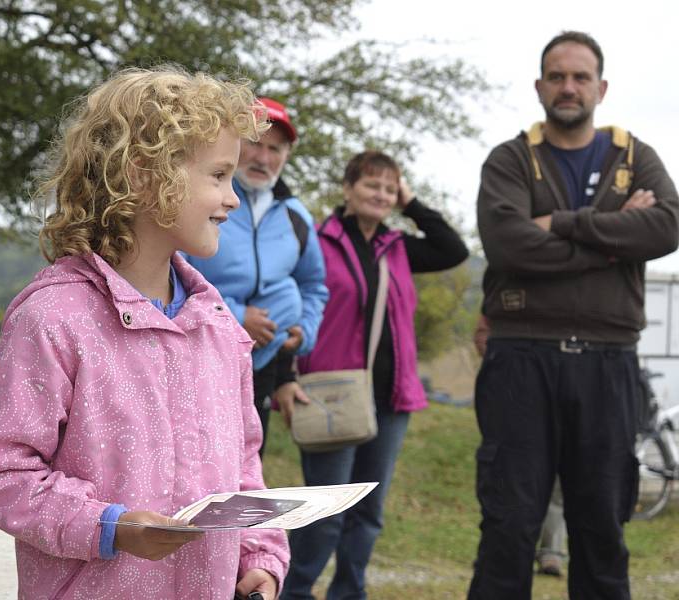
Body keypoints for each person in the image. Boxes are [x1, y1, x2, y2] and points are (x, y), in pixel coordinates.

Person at [0, 66, 289, 600]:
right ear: (144, 174)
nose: (232, 198)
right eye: (217, 175)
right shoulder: (52, 320)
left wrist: (257, 554)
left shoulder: (219, 327)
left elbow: (244, 466)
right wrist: (110, 526)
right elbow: (1, 476)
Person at [468, 31, 679, 600]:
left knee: (602, 529)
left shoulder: (635, 157)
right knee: (509, 526)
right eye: (557, 76)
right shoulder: (511, 159)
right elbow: (511, 246)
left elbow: (666, 226)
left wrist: (562, 223)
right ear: (540, 86)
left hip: (609, 364)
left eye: (580, 77)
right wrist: (615, 234)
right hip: (520, 359)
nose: (568, 87)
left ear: (600, 87)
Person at [278, 150, 469, 599]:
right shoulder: (315, 242)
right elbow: (293, 310)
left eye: (389, 187)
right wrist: (286, 373)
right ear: (348, 188)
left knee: (369, 511)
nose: (380, 194)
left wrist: (412, 204)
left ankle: (350, 591)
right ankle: (294, 590)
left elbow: (453, 249)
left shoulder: (398, 247)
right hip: (331, 392)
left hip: (392, 397)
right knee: (325, 512)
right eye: (371, 185)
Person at [186, 97, 328, 455]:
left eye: (275, 149)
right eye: (255, 143)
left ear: (287, 155)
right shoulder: (200, 197)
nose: (264, 158)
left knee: (248, 468)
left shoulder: (296, 215)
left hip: (260, 368)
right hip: (195, 357)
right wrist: (235, 318)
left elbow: (313, 285)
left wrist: (305, 329)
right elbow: (168, 270)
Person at [473, 314, 567, 578]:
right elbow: (483, 332)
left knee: (557, 481)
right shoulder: (511, 285)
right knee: (509, 480)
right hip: (516, 395)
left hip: (563, 394)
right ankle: (506, 553)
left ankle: (551, 552)